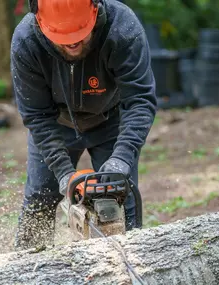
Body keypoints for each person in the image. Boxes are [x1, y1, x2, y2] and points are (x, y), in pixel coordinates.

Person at [11, 0, 157, 250]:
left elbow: (140, 100)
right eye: (62, 37)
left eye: (78, 35)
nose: (71, 43)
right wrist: (63, 173)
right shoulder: (26, 42)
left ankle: (129, 260)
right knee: (39, 198)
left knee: (119, 196)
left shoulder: (121, 28)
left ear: (95, 10)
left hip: (110, 120)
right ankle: (26, 265)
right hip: (55, 125)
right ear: (39, 21)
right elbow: (36, 115)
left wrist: (122, 158)